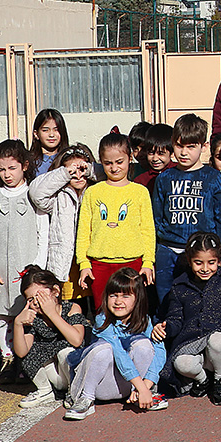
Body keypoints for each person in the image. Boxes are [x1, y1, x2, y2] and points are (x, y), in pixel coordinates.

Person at [0, 139, 49, 383]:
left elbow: (43, 233)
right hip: (2, 270)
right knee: (3, 315)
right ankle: (7, 358)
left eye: (12, 168)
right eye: (2, 169)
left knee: (29, 313)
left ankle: (27, 360)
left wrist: (38, 269)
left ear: (25, 166)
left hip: (28, 271)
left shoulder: (33, 195)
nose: (7, 174)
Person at [155, 232, 221, 406]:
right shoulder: (179, 286)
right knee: (181, 363)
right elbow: (175, 318)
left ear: (218, 260)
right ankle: (203, 380)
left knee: (217, 338)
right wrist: (165, 327)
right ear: (189, 261)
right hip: (192, 343)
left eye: (211, 262)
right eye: (198, 263)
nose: (205, 268)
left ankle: (220, 380)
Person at [63, 267, 168, 420]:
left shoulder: (144, 320)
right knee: (105, 349)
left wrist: (145, 386)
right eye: (113, 295)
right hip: (102, 385)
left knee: (144, 345)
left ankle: (142, 396)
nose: (118, 301)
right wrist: (141, 387)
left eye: (125, 296)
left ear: (138, 299)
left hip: (128, 386)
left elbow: (160, 350)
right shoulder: (102, 319)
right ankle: (85, 398)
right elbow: (119, 353)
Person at [151, 114, 221, 306]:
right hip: (168, 250)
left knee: (200, 302)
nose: (184, 152)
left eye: (191, 146)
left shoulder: (213, 177)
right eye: (179, 146)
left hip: (202, 252)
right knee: (166, 301)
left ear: (203, 146)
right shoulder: (164, 178)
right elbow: (156, 216)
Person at [75, 131, 156, 311]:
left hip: (133, 264)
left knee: (132, 313)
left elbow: (148, 231)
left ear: (130, 158)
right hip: (99, 266)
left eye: (119, 162)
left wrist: (148, 262)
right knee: (103, 314)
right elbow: (84, 231)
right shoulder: (92, 192)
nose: (114, 168)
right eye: (108, 163)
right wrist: (84, 264)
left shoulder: (140, 192)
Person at [28, 143, 95, 304]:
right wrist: (64, 173)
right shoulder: (57, 197)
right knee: (70, 306)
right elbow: (36, 193)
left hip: (90, 260)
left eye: (81, 170)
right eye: (72, 172)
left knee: (95, 304)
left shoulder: (95, 192)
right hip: (66, 264)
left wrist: (90, 169)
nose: (78, 175)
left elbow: (106, 171)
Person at [11, 266, 86, 407]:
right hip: (52, 373)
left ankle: (74, 391)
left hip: (72, 371)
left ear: (55, 291)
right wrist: (18, 324)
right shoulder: (33, 317)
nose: (36, 302)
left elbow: (76, 340)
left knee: (66, 352)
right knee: (29, 352)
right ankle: (45, 390)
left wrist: (51, 313)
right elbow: (21, 352)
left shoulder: (71, 308)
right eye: (30, 299)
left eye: (40, 296)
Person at [29, 108, 69, 179]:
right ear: (36, 134)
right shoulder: (29, 162)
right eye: (45, 130)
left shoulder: (69, 158)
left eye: (56, 130)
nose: (51, 135)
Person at [133, 123, 173, 190]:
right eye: (151, 153)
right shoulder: (141, 180)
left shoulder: (180, 173)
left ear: (172, 153)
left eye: (160, 153)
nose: (155, 159)